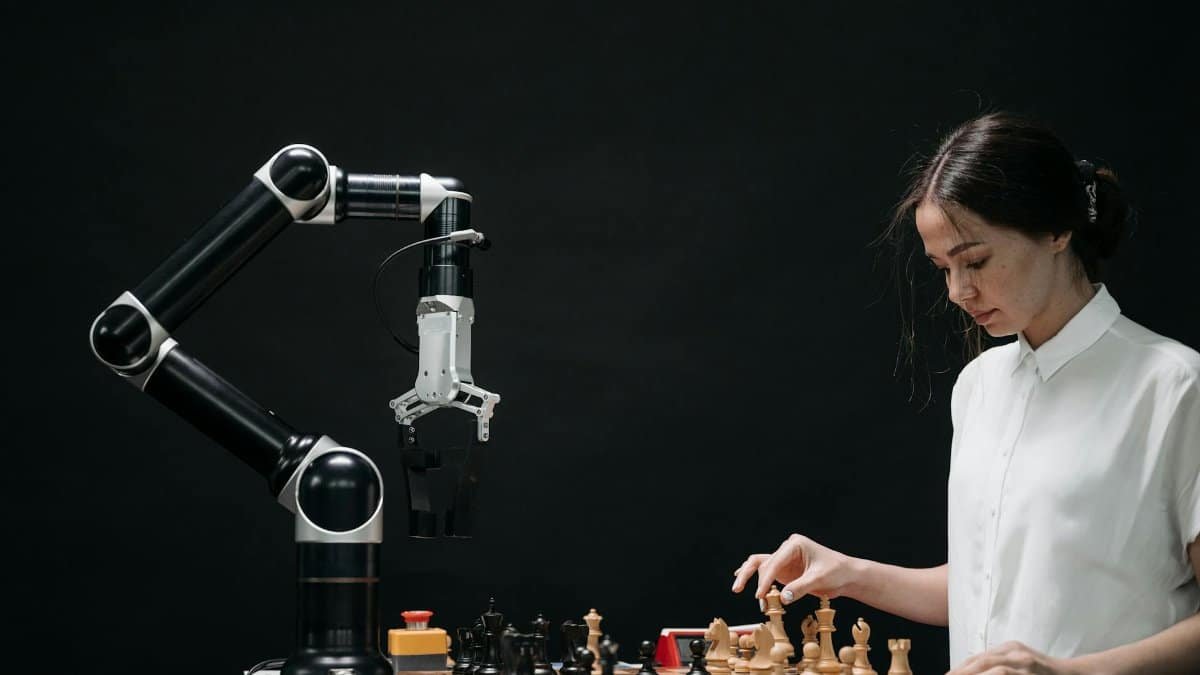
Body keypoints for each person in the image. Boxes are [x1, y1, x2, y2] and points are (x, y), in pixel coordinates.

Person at [731, 112, 1200, 674]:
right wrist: (847, 572)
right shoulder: (981, 386)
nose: (958, 291)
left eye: (975, 260)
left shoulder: (1173, 386)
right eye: (941, 268)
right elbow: (987, 585)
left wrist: (1070, 672)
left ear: (1056, 229)